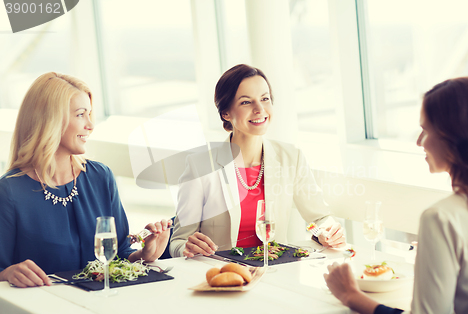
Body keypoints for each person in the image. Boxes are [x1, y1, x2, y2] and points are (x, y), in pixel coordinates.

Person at [324, 77, 468, 314]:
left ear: (454, 138)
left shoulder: (441, 218)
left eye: (426, 130)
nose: (419, 141)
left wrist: (351, 294)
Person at [0, 72, 171, 288]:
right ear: (49, 120)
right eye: (81, 114)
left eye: (89, 114)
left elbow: (118, 256)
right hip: (45, 311)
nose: (90, 125)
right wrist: (8, 273)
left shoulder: (101, 177)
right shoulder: (10, 191)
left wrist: (145, 255)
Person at [169, 64, 346, 258]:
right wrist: (186, 248)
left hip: (276, 270)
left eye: (265, 99)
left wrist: (325, 232)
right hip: (222, 275)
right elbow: (178, 241)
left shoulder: (290, 157)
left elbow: (319, 218)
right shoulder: (200, 166)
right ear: (226, 113)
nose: (259, 109)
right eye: (246, 102)